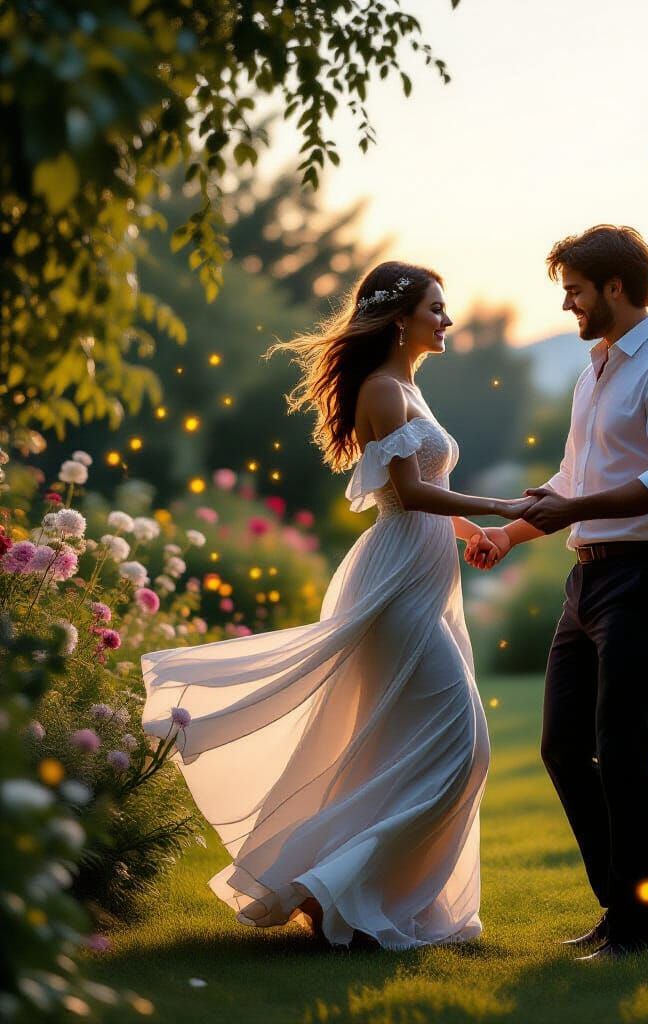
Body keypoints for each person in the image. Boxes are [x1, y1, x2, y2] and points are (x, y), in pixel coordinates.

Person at [141, 261, 532, 951]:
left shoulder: (410, 387)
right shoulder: (383, 390)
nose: (447, 320)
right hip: (396, 587)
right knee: (462, 747)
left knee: (407, 748)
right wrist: (499, 503)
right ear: (400, 317)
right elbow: (407, 495)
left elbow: (419, 492)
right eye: (436, 309)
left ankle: (343, 898)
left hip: (424, 574)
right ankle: (332, 890)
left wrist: (477, 532)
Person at [466, 225, 648, 961]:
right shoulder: (596, 368)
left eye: (575, 290)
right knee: (563, 749)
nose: (568, 304)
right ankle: (633, 907)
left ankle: (639, 925)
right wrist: (509, 535)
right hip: (590, 582)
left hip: (645, 580)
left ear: (613, 287)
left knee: (623, 753)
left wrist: (571, 509)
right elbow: (575, 479)